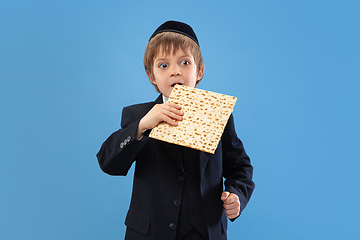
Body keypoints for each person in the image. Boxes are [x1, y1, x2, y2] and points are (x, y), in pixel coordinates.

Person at [96, 20, 255, 240]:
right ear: (151, 76)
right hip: (150, 233)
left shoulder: (219, 115)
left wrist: (237, 195)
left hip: (206, 233)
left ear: (199, 71)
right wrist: (142, 126)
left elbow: (240, 167)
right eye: (164, 65)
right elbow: (108, 163)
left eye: (185, 63)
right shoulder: (137, 116)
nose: (175, 72)